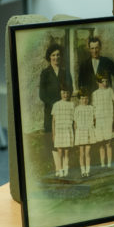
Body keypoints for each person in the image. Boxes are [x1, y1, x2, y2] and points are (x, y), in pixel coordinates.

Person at [39, 43, 73, 175]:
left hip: (64, 112)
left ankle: (66, 169)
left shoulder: (65, 72)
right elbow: (42, 94)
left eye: (58, 55)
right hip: (51, 111)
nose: (56, 57)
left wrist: (63, 103)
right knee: (53, 140)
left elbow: (70, 89)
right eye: (53, 55)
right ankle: (58, 168)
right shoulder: (45, 73)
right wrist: (55, 106)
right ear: (49, 57)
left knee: (64, 140)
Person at [92, 73, 114, 168]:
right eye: (103, 81)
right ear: (98, 82)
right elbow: (94, 108)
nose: (105, 83)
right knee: (101, 143)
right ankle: (102, 164)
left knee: (108, 143)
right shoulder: (94, 94)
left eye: (107, 81)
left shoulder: (110, 91)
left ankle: (109, 164)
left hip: (108, 119)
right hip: (99, 120)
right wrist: (94, 120)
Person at [51, 85, 75, 177]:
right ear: (60, 94)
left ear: (69, 94)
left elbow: (74, 120)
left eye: (67, 93)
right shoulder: (56, 105)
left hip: (67, 130)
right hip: (59, 130)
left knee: (67, 151)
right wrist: (53, 134)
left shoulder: (72, 105)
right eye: (63, 93)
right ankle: (60, 169)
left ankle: (66, 169)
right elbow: (53, 121)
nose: (65, 95)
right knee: (60, 151)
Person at [74, 90, 95, 177]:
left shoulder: (91, 108)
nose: (84, 100)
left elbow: (94, 120)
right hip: (80, 131)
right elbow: (75, 123)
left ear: (88, 99)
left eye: (86, 98)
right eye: (82, 98)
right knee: (81, 153)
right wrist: (76, 133)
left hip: (89, 131)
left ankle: (88, 171)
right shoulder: (77, 109)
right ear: (79, 99)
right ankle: (83, 171)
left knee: (87, 153)